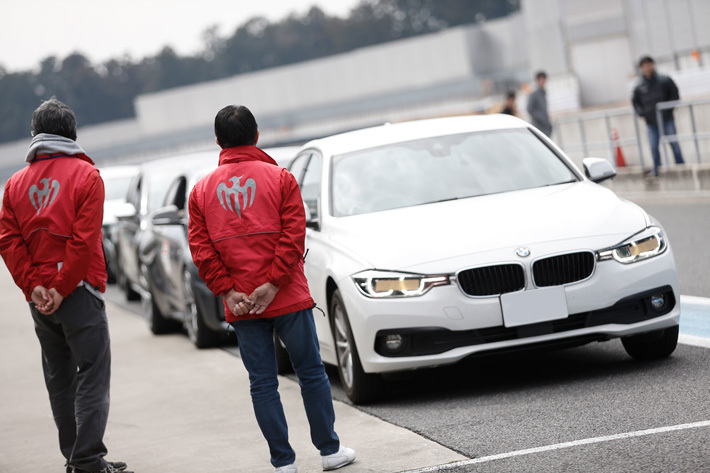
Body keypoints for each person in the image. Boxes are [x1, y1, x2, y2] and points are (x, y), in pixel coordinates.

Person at [187, 105, 355, 473]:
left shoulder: (200, 192)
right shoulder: (281, 178)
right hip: (287, 296)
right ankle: (329, 452)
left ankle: (283, 463)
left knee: (262, 383)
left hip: (242, 305)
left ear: (218, 141)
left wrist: (229, 291)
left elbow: (201, 250)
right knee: (310, 371)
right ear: (257, 135)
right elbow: (294, 238)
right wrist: (272, 283)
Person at [0, 98, 131, 473]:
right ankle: (88, 460)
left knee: (59, 378)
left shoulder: (14, 184)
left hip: (39, 298)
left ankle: (75, 458)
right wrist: (61, 286)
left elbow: (8, 240)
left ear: (34, 135)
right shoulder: (87, 176)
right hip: (78, 292)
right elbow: (83, 238)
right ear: (72, 134)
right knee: (91, 373)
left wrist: (34, 286)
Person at [632, 56, 685, 176]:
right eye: (644, 65)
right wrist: (642, 113)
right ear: (641, 68)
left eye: (649, 64)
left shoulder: (664, 80)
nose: (647, 67)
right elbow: (635, 102)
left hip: (667, 119)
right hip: (651, 122)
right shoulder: (639, 87)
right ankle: (657, 171)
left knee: (674, 143)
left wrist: (667, 109)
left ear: (653, 65)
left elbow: (675, 94)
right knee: (653, 147)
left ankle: (681, 167)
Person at [527, 71, 552, 136]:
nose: (542, 81)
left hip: (545, 126)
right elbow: (530, 109)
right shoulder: (534, 95)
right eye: (540, 79)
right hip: (538, 126)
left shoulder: (543, 93)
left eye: (543, 78)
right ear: (537, 81)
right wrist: (541, 118)